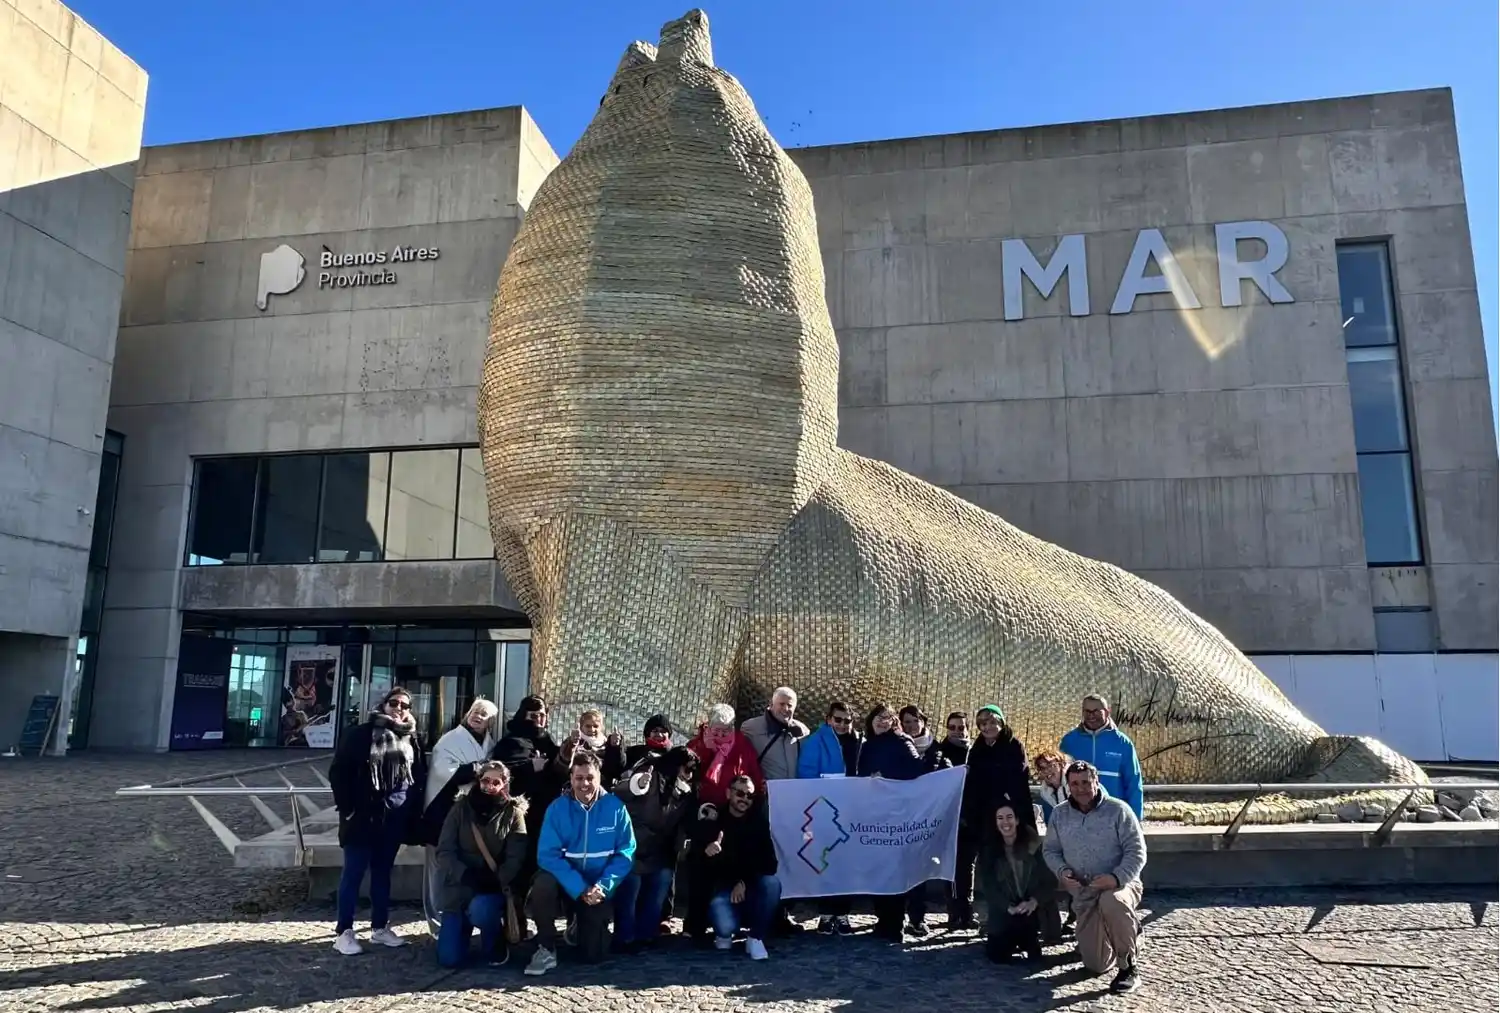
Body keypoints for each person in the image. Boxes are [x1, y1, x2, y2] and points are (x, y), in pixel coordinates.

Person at [328, 686, 427, 955]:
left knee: (383, 874)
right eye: (394, 703)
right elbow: (339, 772)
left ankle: (379, 928)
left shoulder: (411, 738)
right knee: (353, 873)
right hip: (362, 817)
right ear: (383, 705)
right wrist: (348, 808)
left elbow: (417, 776)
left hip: (392, 819)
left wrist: (410, 811)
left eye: (405, 705)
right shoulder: (361, 734)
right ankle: (344, 932)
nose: (399, 708)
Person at [525, 752, 637, 976]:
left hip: (597, 886)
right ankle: (545, 947)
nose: (584, 784)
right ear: (571, 777)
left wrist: (602, 887)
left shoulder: (615, 808)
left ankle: (580, 926)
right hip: (565, 883)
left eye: (590, 778)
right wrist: (579, 888)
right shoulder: (557, 809)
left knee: (593, 956)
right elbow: (547, 856)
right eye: (579, 778)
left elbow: (626, 852)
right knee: (542, 884)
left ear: (599, 777)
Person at [1042, 760, 1147, 995]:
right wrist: (1062, 871)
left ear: (1096, 782)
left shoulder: (1119, 810)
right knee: (1096, 965)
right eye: (1075, 784)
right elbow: (1050, 850)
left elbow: (1137, 851)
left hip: (1120, 885)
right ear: (1068, 786)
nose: (1080, 789)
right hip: (1084, 891)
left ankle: (1128, 966)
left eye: (1085, 782)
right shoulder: (1060, 815)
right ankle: (1129, 932)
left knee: (1112, 902)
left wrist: (1116, 878)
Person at [434, 760, 528, 967]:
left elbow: (516, 857)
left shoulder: (513, 813)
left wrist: (496, 879)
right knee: (449, 959)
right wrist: (464, 874)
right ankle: (462, 929)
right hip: (459, 887)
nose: (490, 787)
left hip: (491, 888)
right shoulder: (460, 808)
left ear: (505, 784)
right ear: (479, 781)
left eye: (496, 782)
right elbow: (444, 851)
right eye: (486, 781)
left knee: (481, 910)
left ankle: (493, 941)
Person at [419, 698, 501, 931]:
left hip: (470, 814)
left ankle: (460, 919)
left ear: (490, 722)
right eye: (475, 711)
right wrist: (478, 769)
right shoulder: (450, 740)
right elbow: (445, 774)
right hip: (442, 811)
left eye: (484, 714)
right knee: (439, 867)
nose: (477, 716)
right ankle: (436, 920)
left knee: (462, 867)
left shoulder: (489, 743)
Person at [612, 746, 698, 952]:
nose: (690, 775)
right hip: (631, 845)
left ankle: (646, 935)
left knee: (659, 885)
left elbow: (682, 824)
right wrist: (636, 785)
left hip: (660, 850)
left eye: (693, 770)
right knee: (630, 887)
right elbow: (620, 791)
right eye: (687, 769)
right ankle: (624, 937)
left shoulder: (684, 794)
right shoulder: (650, 773)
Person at [857, 702, 930, 942]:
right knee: (879, 870)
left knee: (896, 870)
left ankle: (895, 923)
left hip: (897, 816)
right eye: (877, 717)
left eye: (886, 717)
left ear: (893, 722)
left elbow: (916, 770)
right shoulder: (866, 746)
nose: (881, 721)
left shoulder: (902, 742)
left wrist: (888, 780)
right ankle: (882, 920)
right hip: (875, 815)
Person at [693, 774, 781, 961]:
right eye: (740, 793)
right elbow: (699, 868)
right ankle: (724, 933)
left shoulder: (758, 823)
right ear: (728, 793)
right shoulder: (715, 822)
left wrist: (744, 881)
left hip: (750, 888)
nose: (745, 799)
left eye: (750, 795)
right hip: (723, 891)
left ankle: (755, 937)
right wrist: (707, 853)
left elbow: (771, 863)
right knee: (724, 927)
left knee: (772, 884)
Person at [492, 695, 564, 920]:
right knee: (518, 867)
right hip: (520, 817)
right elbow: (502, 771)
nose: (539, 720)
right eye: (533, 715)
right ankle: (514, 919)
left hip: (546, 816)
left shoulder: (548, 742)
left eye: (542, 715)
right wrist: (529, 767)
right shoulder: (512, 741)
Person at [797, 700, 860, 936]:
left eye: (847, 720)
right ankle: (825, 913)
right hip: (823, 810)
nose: (842, 724)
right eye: (838, 720)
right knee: (823, 862)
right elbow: (805, 773)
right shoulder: (815, 741)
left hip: (850, 810)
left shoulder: (858, 742)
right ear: (828, 719)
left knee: (845, 864)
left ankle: (842, 914)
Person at [979, 803, 1057, 964]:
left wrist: (1034, 902)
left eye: (1009, 817)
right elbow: (989, 887)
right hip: (1006, 910)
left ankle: (1031, 938)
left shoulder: (1035, 846)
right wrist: (1007, 906)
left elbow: (1050, 882)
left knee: (1034, 955)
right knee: (997, 956)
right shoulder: (989, 852)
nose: (1005, 822)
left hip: (1031, 910)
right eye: (1000, 818)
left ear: (1017, 820)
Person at [1060, 694, 1144, 820]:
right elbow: (1060, 780)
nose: (1091, 716)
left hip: (1113, 816)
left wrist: (1135, 818)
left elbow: (1133, 783)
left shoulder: (1122, 743)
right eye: (1087, 711)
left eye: (1096, 711)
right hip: (1078, 815)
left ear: (1107, 711)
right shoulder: (1069, 741)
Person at [936, 711, 978, 930]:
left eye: (961, 727)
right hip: (950, 817)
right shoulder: (941, 752)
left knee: (967, 867)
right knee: (950, 868)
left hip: (971, 817)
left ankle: (967, 911)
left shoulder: (975, 751)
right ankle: (953, 913)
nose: (957, 731)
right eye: (952, 727)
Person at [965, 705, 1035, 836]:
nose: (988, 727)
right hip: (983, 808)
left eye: (993, 722)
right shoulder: (977, 749)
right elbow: (973, 778)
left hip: (1009, 806)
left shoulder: (1014, 746)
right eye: (983, 724)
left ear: (1001, 723)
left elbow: (1019, 777)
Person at [688, 703, 766, 807]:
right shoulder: (697, 744)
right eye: (716, 731)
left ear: (732, 727)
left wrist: (760, 788)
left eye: (725, 731)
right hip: (700, 802)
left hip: (732, 807)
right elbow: (690, 770)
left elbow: (754, 773)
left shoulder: (742, 746)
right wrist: (706, 749)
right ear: (709, 725)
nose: (720, 735)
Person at [740, 686, 809, 782]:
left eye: (790, 705)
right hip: (766, 791)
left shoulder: (802, 731)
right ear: (771, 704)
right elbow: (743, 760)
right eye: (781, 704)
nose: (785, 708)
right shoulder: (751, 728)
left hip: (794, 790)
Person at [572, 708, 627, 788]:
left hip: (604, 787)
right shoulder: (576, 743)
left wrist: (615, 748)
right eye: (588, 726)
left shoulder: (606, 743)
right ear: (581, 727)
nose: (592, 729)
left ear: (601, 727)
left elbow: (617, 768)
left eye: (595, 726)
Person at [1033, 749, 1070, 822]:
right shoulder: (1045, 791)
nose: (1046, 771)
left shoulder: (1073, 782)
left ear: (1061, 764)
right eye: (1042, 768)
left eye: (1050, 765)